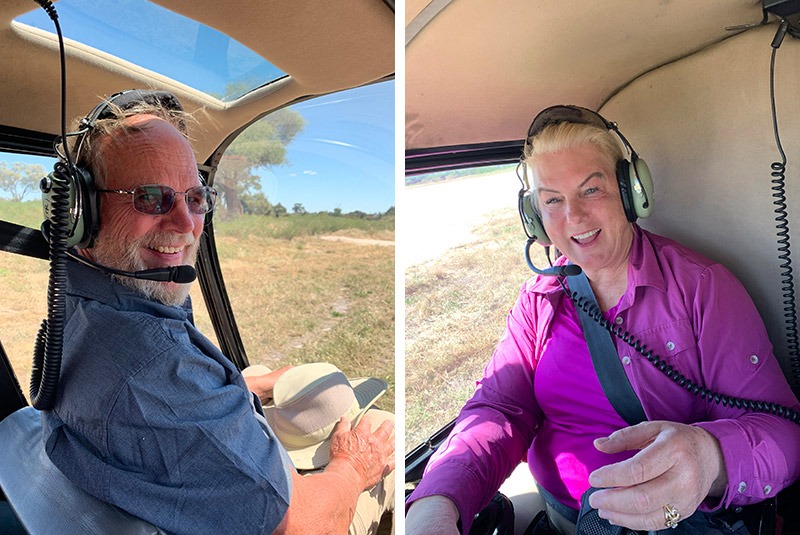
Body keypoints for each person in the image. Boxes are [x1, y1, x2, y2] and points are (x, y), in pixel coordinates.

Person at [405, 105, 800, 534]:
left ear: (631, 192)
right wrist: (436, 503)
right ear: (535, 218)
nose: (573, 216)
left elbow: (783, 434)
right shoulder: (539, 300)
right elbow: (499, 409)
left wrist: (710, 459)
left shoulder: (702, 288)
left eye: (591, 190)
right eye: (552, 200)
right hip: (561, 520)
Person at [41, 90, 395, 535]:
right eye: (150, 197)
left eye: (195, 198)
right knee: (383, 426)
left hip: (160, 469)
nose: (186, 224)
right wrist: (352, 466)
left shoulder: (87, 304)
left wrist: (242, 386)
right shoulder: (157, 369)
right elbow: (305, 525)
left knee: (259, 374)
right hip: (297, 518)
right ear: (79, 212)